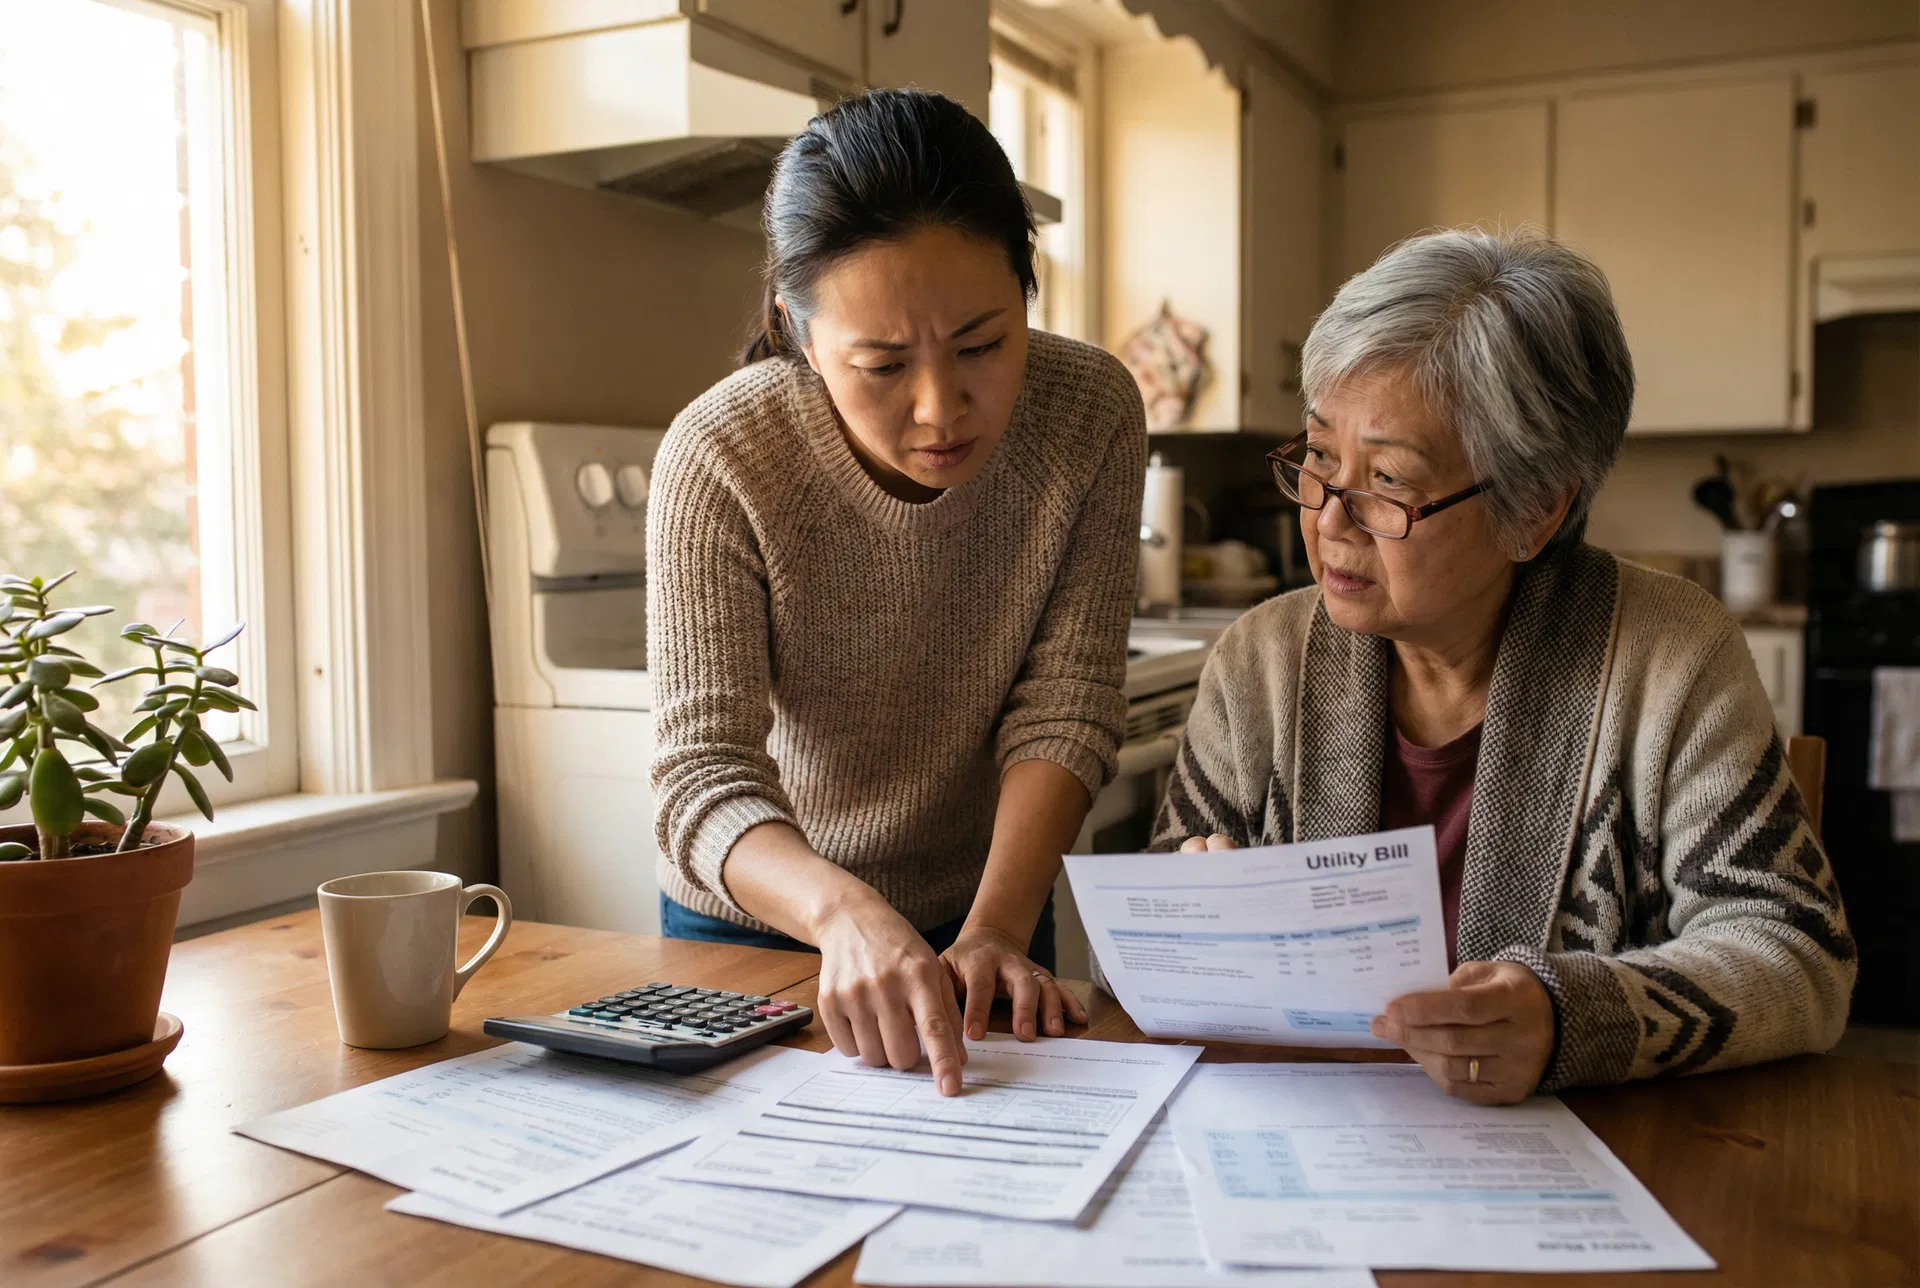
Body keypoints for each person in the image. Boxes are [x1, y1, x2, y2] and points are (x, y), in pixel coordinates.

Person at [1152, 228, 1855, 1105]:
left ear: (1536, 510)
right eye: (1319, 457)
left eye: (1389, 484)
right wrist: (1193, 914)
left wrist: (1571, 1019)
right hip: (1309, 1137)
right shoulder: (1260, 658)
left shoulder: (1671, 658)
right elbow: (1155, 905)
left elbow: (1796, 950)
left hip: (1599, 1164)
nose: (1329, 518)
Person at [648, 90, 1147, 1097]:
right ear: (796, 325)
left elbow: (1069, 700)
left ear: (1027, 286)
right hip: (765, 921)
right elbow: (701, 774)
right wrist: (842, 914)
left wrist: (1000, 922)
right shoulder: (721, 454)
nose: (940, 408)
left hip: (986, 912)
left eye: (982, 345)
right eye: (880, 364)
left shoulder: (1092, 411)